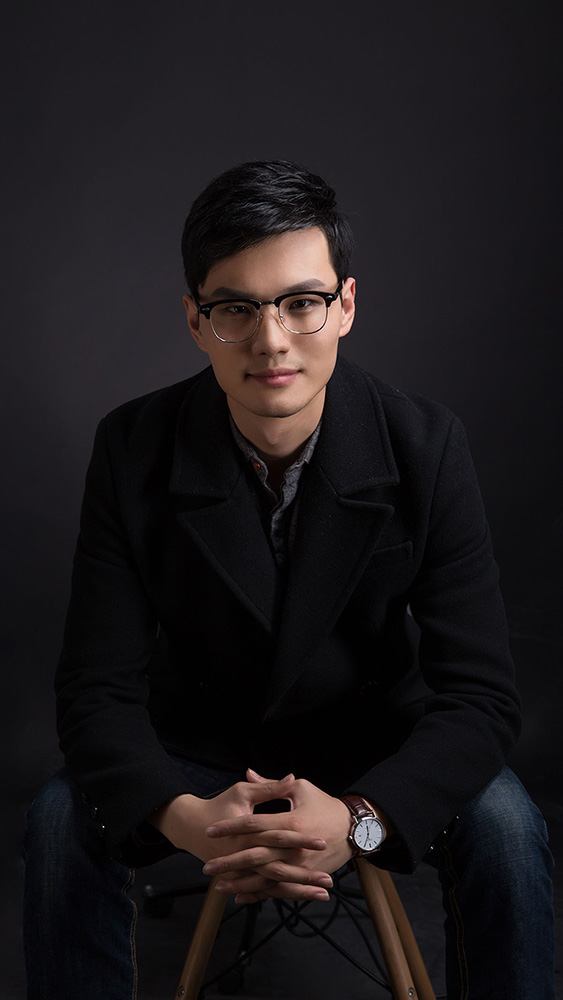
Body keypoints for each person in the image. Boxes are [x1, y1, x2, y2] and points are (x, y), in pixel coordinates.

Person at [24, 160, 554, 999]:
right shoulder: (133, 446)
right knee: (60, 821)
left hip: (372, 747)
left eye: (301, 302)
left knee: (508, 827)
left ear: (345, 305)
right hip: (198, 750)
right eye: (235, 309)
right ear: (195, 321)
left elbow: (481, 696)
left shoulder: (425, 444)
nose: (271, 341)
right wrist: (185, 819)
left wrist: (360, 819)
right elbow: (95, 690)